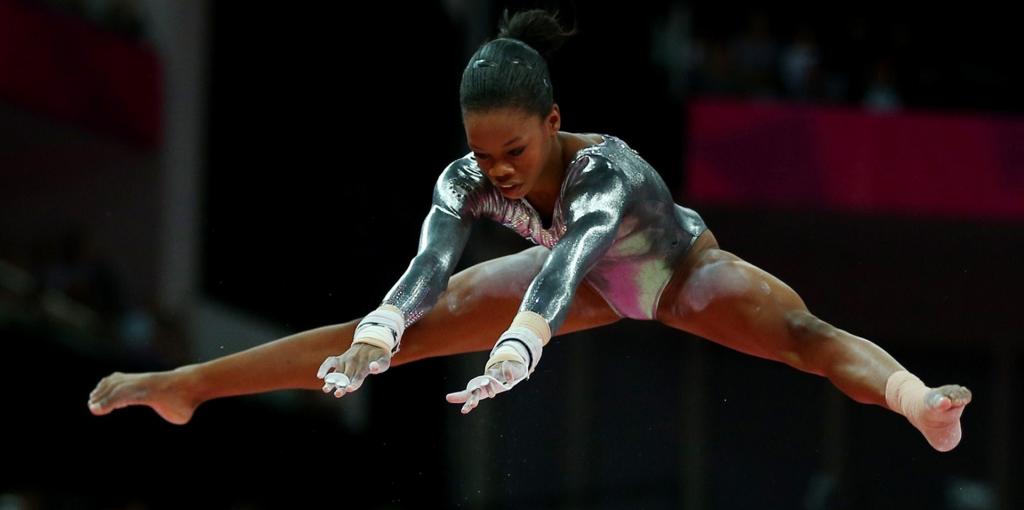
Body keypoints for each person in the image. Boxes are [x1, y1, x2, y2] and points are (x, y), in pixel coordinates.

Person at [87, 10, 970, 452]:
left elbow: (572, 259)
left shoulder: (605, 173)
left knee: (802, 335)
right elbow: (426, 268)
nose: (498, 171)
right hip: (576, 283)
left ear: (553, 122)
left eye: (514, 150)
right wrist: (376, 336)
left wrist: (519, 346)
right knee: (385, 337)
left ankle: (915, 401)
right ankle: (187, 384)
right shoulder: (465, 176)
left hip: (672, 273)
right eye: (482, 152)